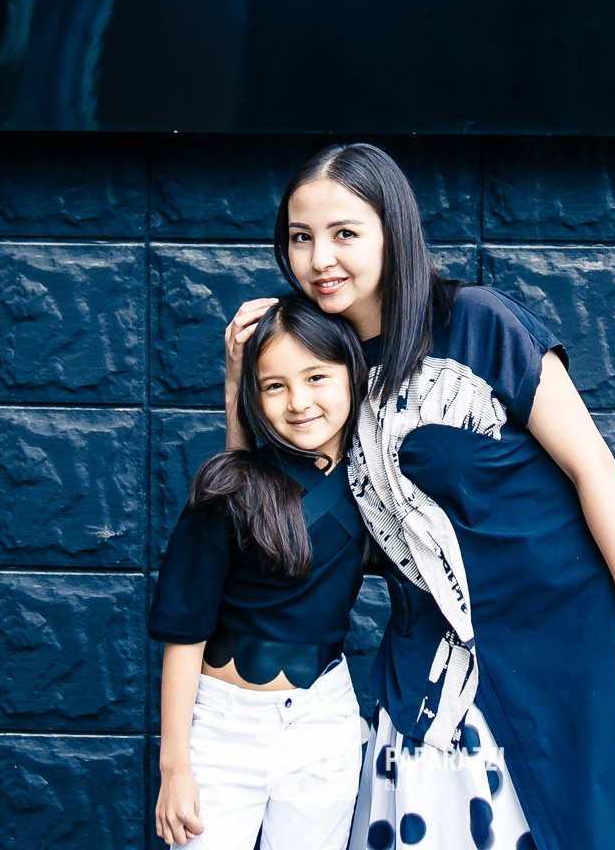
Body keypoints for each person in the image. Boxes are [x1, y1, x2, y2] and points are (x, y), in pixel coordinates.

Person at [225, 143, 615, 850]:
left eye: (344, 233)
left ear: (392, 234)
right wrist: (236, 391)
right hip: (432, 655)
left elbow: (594, 469)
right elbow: (265, 519)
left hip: (562, 641)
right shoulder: (317, 366)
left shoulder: (478, 321)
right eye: (300, 237)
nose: (319, 259)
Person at [150, 295, 368, 850]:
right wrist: (175, 766)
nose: (299, 402)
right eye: (274, 386)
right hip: (223, 730)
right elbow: (184, 633)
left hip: (323, 723)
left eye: (316, 377)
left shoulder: (376, 485)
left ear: (352, 374)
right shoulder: (228, 490)